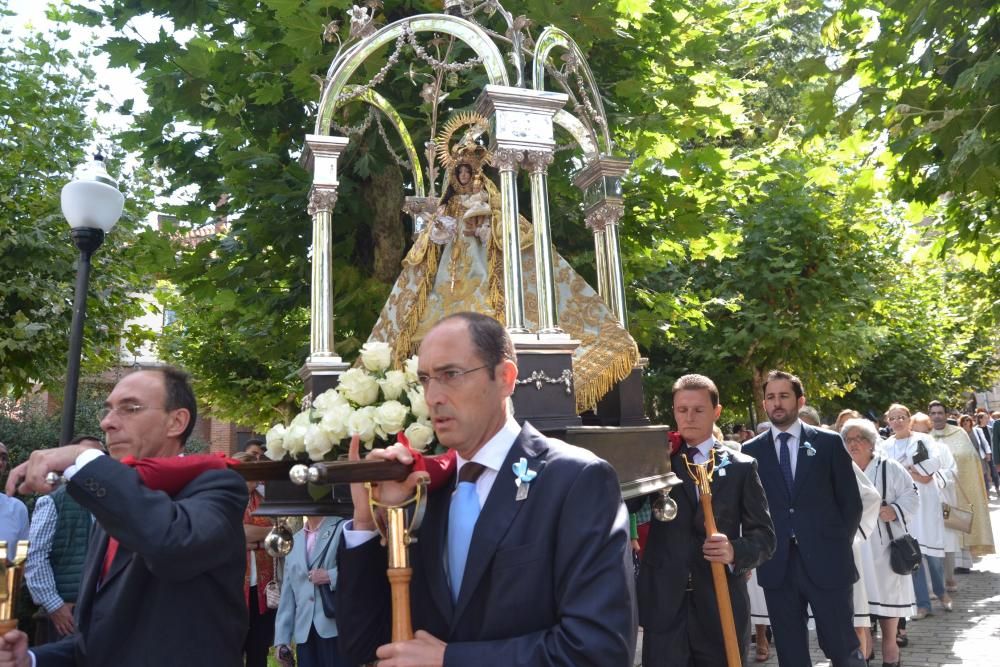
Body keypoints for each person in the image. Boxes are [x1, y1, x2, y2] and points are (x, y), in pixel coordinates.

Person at [336, 312, 637, 666]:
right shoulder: (424, 494)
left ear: (506, 377)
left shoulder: (575, 481)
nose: (433, 397)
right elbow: (364, 646)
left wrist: (451, 660)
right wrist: (366, 523)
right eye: (425, 380)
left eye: (451, 375)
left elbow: (600, 648)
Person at [365, 115, 639, 414]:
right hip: (451, 270)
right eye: (460, 172)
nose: (465, 178)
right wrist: (443, 229)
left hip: (485, 266)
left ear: (476, 173)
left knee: (495, 309)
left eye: (468, 172)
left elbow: (505, 232)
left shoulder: (491, 201)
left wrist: (484, 226)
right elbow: (435, 236)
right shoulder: (450, 204)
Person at [0, 367, 248, 667]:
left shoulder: (217, 487)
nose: (107, 423)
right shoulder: (112, 499)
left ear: (176, 421)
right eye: (107, 411)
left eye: (130, 408)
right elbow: (97, 639)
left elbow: (172, 545)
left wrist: (85, 459)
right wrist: (31, 659)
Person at [632, 374, 774, 666]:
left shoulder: (741, 468)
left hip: (719, 602)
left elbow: (764, 536)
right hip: (665, 604)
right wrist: (640, 459)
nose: (689, 417)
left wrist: (735, 551)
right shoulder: (658, 462)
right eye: (682, 410)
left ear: (716, 412)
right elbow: (629, 504)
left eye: (698, 409)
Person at [741, 370, 864, 667]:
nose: (777, 403)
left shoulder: (829, 443)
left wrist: (833, 545)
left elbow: (851, 504)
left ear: (800, 400)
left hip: (828, 562)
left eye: (784, 396)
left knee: (842, 647)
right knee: (790, 653)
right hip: (777, 566)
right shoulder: (750, 451)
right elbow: (751, 512)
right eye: (770, 397)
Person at [843, 418, 917, 667]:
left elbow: (911, 494)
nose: (853, 444)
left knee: (888, 596)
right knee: (858, 598)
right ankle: (866, 648)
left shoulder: (890, 467)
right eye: (849, 439)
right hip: (854, 546)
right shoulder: (841, 468)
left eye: (859, 439)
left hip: (885, 545)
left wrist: (894, 509)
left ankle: (890, 646)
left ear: (871, 443)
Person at [24, 437, 103, 645]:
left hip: (100, 613)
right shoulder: (53, 500)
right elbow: (36, 556)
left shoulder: (108, 502)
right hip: (64, 615)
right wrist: (54, 605)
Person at [879, 404, 952, 620]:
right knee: (912, 552)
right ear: (888, 422)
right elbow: (886, 473)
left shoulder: (923, 440)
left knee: (932, 555)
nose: (898, 421)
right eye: (893, 418)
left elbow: (932, 468)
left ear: (909, 419)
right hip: (903, 503)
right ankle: (922, 603)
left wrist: (914, 473)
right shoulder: (885, 446)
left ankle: (941, 591)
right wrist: (912, 472)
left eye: (902, 417)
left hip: (925, 501)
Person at [928, 401, 995, 574]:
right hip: (937, 490)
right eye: (933, 413)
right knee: (941, 525)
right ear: (930, 416)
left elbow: (970, 457)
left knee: (957, 521)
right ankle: (944, 564)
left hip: (960, 485)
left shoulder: (959, 433)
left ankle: (962, 562)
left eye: (940, 413)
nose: (937, 416)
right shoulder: (926, 437)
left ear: (945, 414)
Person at [273, 515, 348, 667]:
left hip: (336, 629)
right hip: (304, 634)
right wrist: (282, 639)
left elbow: (361, 572)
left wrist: (330, 576)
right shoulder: (294, 540)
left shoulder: (342, 528)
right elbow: (288, 595)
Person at [230, 450, 276, 667]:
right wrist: (263, 535)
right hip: (234, 588)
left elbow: (279, 531)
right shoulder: (226, 500)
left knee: (258, 651)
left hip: (263, 589)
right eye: (250, 473)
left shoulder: (264, 500)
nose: (255, 478)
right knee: (232, 650)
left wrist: (249, 538)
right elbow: (236, 532)